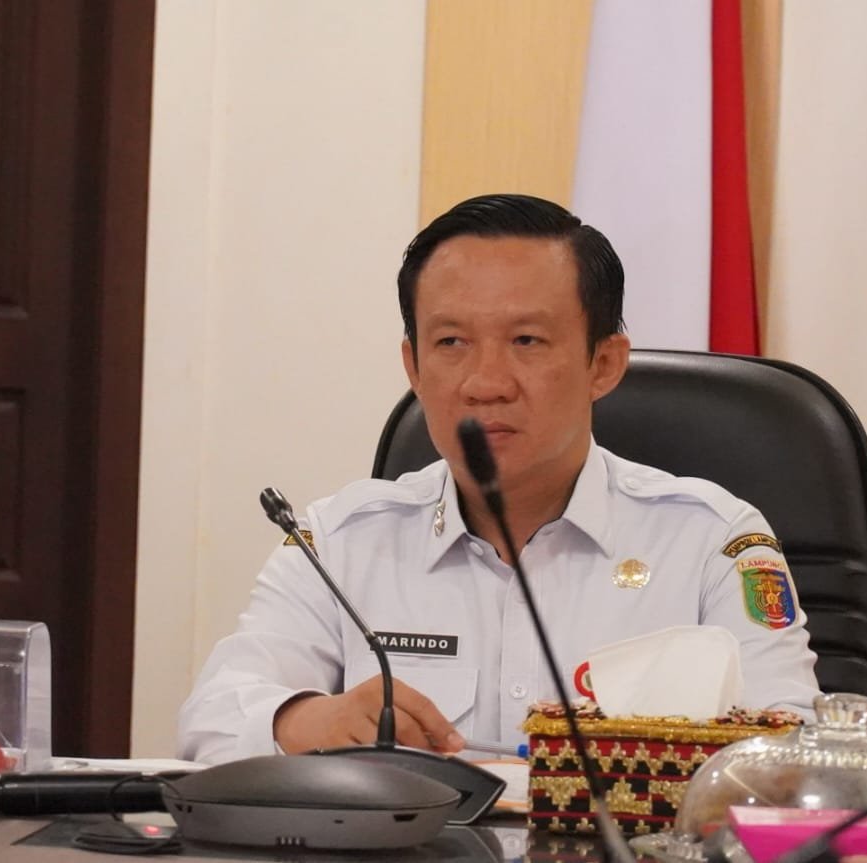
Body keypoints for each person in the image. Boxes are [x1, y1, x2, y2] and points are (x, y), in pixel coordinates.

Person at [178, 194, 820, 764]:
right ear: (413, 367)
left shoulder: (708, 543)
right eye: (451, 343)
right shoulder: (340, 543)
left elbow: (791, 754)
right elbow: (211, 722)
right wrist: (308, 721)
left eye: (527, 341)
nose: (485, 383)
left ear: (603, 364)